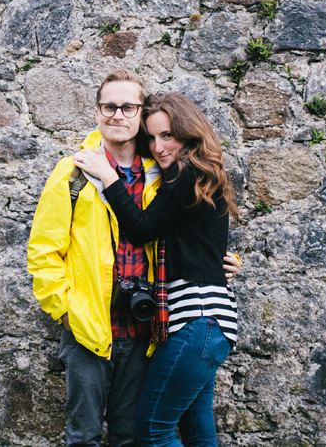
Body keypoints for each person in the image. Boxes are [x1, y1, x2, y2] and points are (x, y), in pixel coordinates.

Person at [27, 71, 239, 447]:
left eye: (128, 107)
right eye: (109, 106)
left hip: (146, 331)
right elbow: (43, 250)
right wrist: (65, 309)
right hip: (89, 327)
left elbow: (181, 228)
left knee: (132, 437)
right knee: (84, 437)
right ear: (97, 112)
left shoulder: (165, 174)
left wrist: (223, 259)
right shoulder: (73, 172)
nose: (117, 115)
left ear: (140, 114)